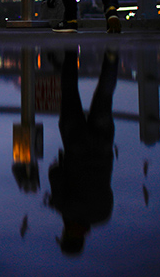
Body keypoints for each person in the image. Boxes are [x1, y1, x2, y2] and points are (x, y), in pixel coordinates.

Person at [47, 48, 118, 256]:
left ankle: (112, 58)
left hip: (103, 146)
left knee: (104, 96)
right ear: (66, 236)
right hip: (75, 143)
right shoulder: (64, 208)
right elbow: (55, 175)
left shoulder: (103, 215)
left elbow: (105, 188)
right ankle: (70, 53)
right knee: (69, 91)